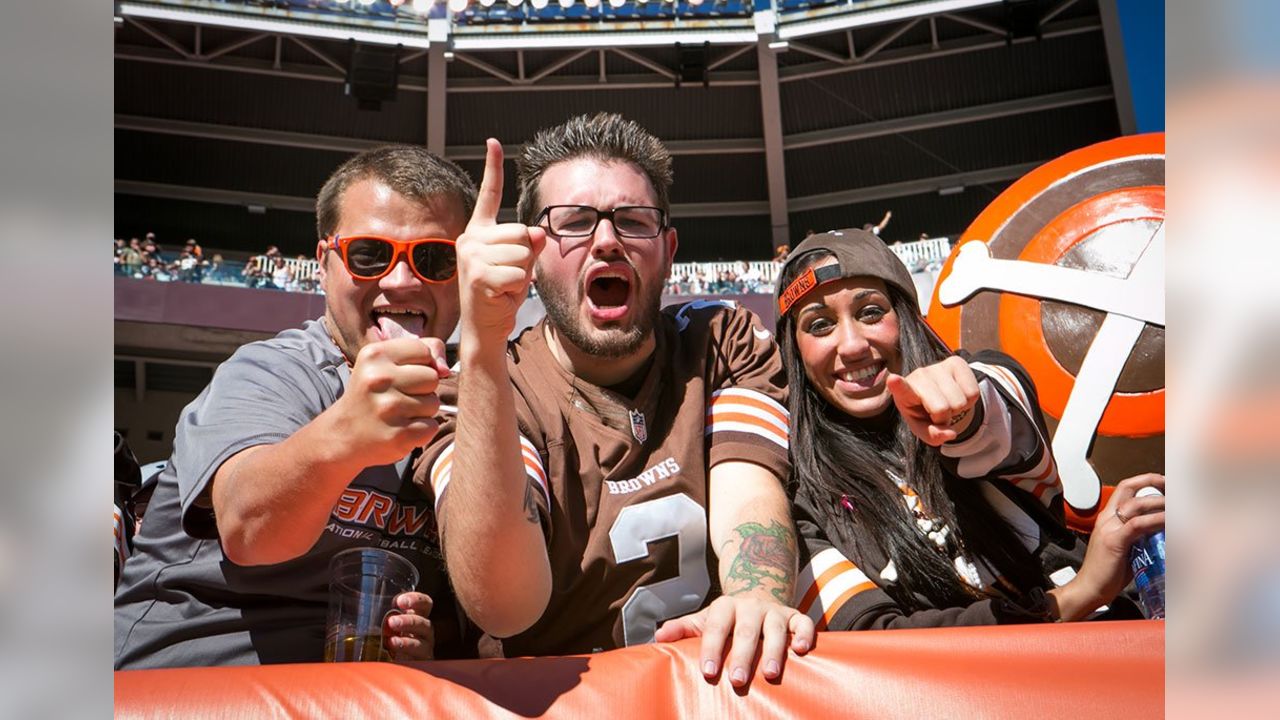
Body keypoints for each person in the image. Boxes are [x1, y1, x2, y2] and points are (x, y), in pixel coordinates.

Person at [416, 113, 814, 686]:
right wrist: (480, 347)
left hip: (711, 695)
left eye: (632, 221)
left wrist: (756, 596)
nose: (606, 241)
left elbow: (749, 494)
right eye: (573, 222)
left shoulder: (719, 344)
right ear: (530, 254)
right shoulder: (481, 390)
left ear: (668, 249)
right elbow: (503, 602)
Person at [114, 145, 477, 669]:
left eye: (435, 257)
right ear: (324, 264)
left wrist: (428, 634)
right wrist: (343, 438)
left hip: (360, 696)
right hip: (188, 683)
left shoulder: (477, 403)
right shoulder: (270, 371)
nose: (402, 281)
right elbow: (250, 530)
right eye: (370, 253)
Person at [773, 228, 1165, 629]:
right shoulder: (796, 503)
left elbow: (993, 412)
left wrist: (960, 415)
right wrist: (1074, 596)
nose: (853, 344)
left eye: (871, 312)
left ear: (907, 319)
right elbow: (876, 642)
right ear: (795, 353)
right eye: (819, 325)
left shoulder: (986, 380)